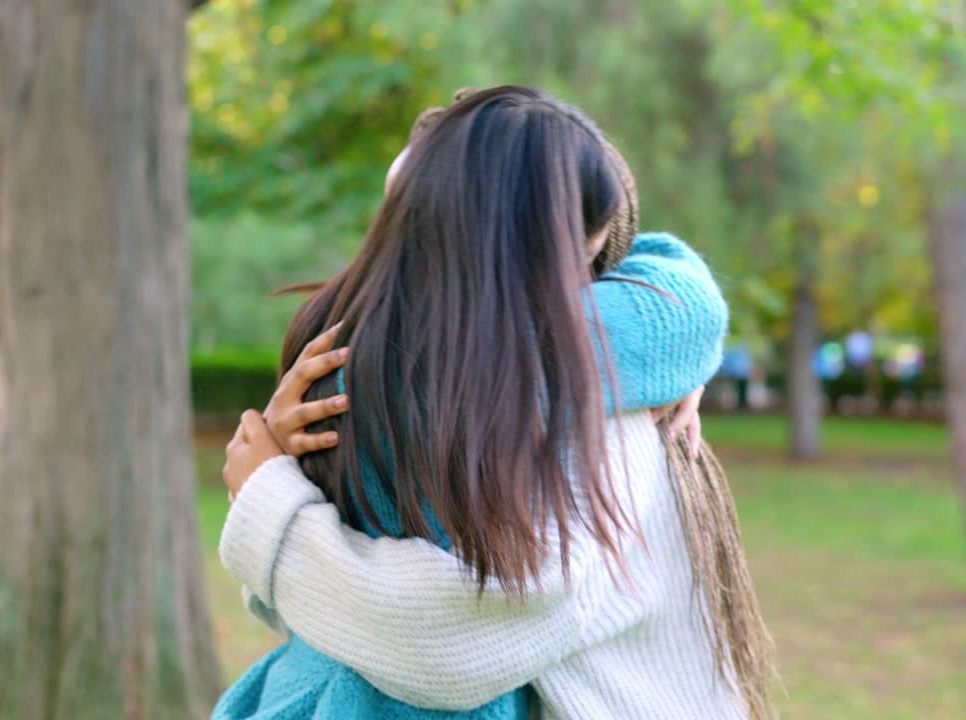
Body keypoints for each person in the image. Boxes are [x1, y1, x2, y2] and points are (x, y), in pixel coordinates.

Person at [216, 86, 773, 720]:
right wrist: (276, 494)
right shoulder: (364, 360)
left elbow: (463, 639)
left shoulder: (585, 392)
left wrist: (270, 507)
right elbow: (299, 605)